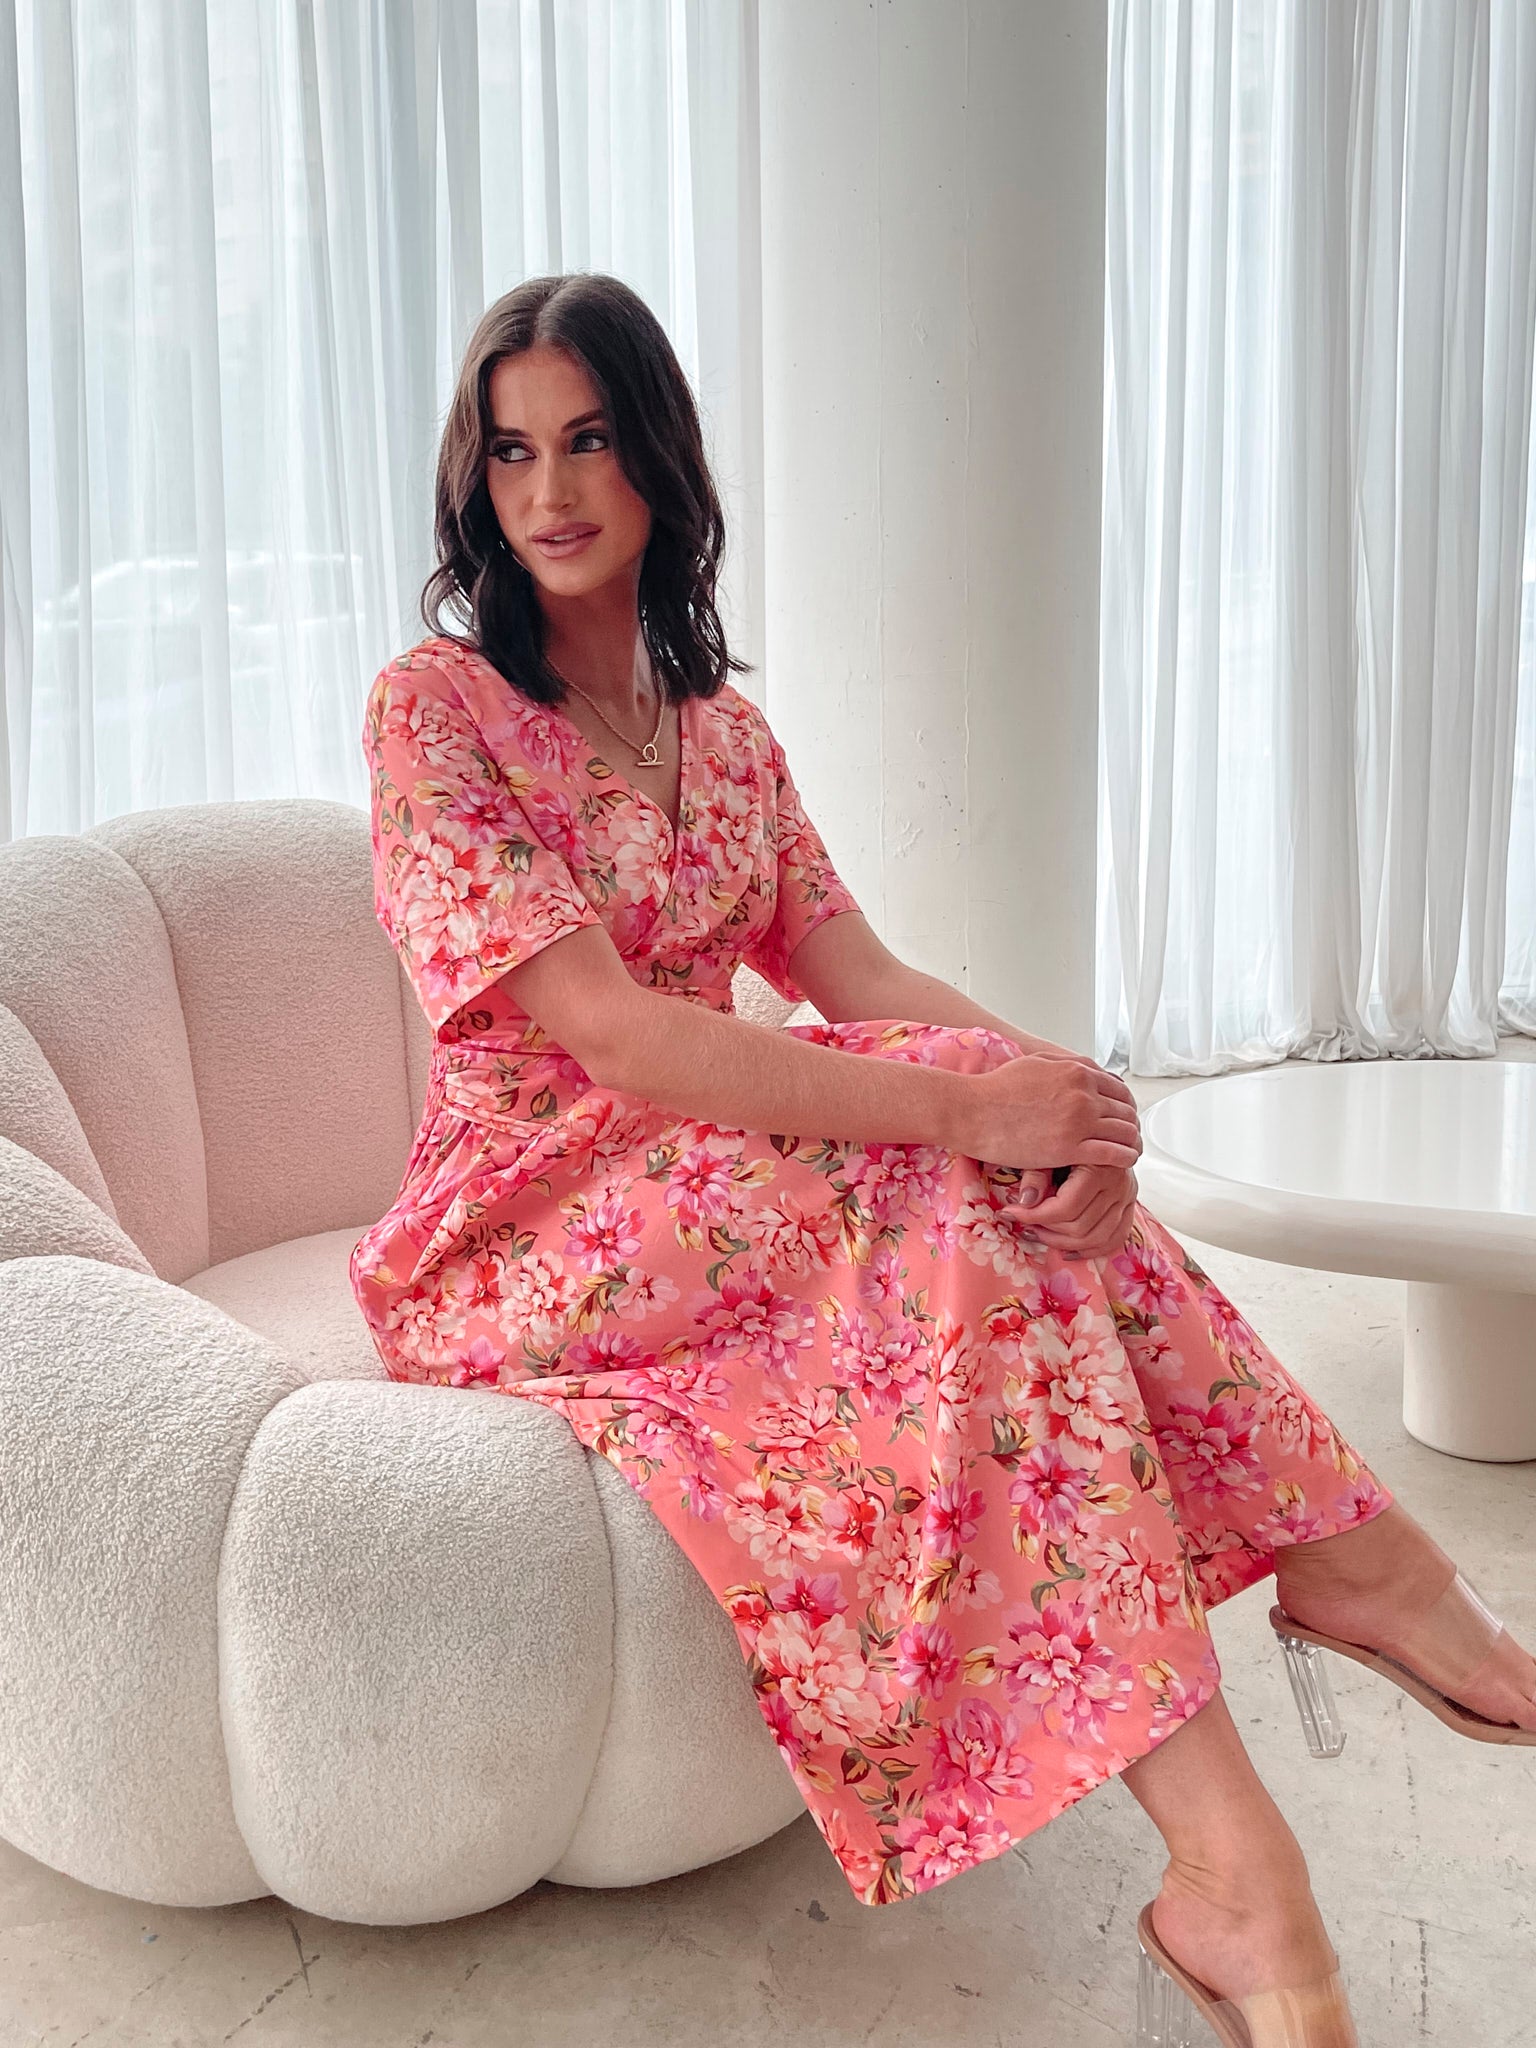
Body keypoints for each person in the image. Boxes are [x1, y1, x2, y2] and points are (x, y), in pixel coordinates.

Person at [349, 272, 1536, 2047]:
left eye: (587, 440)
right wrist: (976, 1112)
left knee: (983, 1157)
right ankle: (1350, 1592)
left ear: (658, 457)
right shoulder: (434, 710)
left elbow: (866, 977)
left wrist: (1067, 1100)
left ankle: (1248, 1836)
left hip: (709, 1179)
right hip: (525, 1221)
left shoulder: (722, 734)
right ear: (475, 481)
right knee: (942, 1150)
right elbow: (613, 1038)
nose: (551, 490)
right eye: (511, 452)